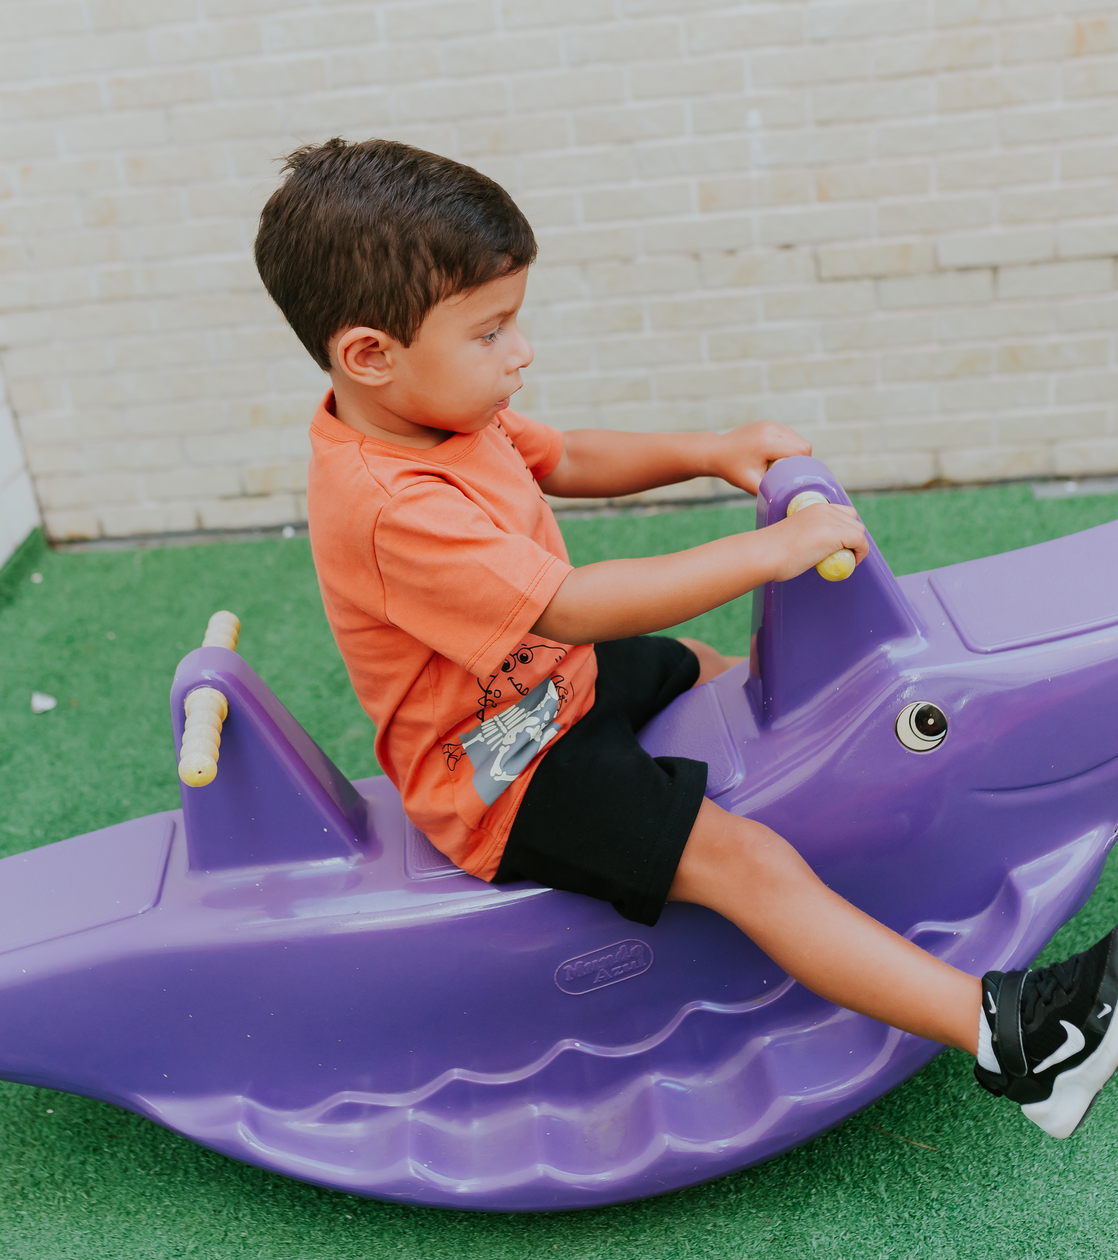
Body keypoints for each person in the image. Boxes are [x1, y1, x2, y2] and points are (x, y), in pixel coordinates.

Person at [255, 136, 1118, 1142]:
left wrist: (710, 451)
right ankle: (1020, 1044)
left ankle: (834, 847)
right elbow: (571, 605)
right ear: (370, 353)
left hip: (550, 688)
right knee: (745, 861)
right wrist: (771, 552)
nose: (520, 352)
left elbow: (568, 455)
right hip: (498, 769)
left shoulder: (443, 414)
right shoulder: (388, 503)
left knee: (713, 677)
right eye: (491, 331)